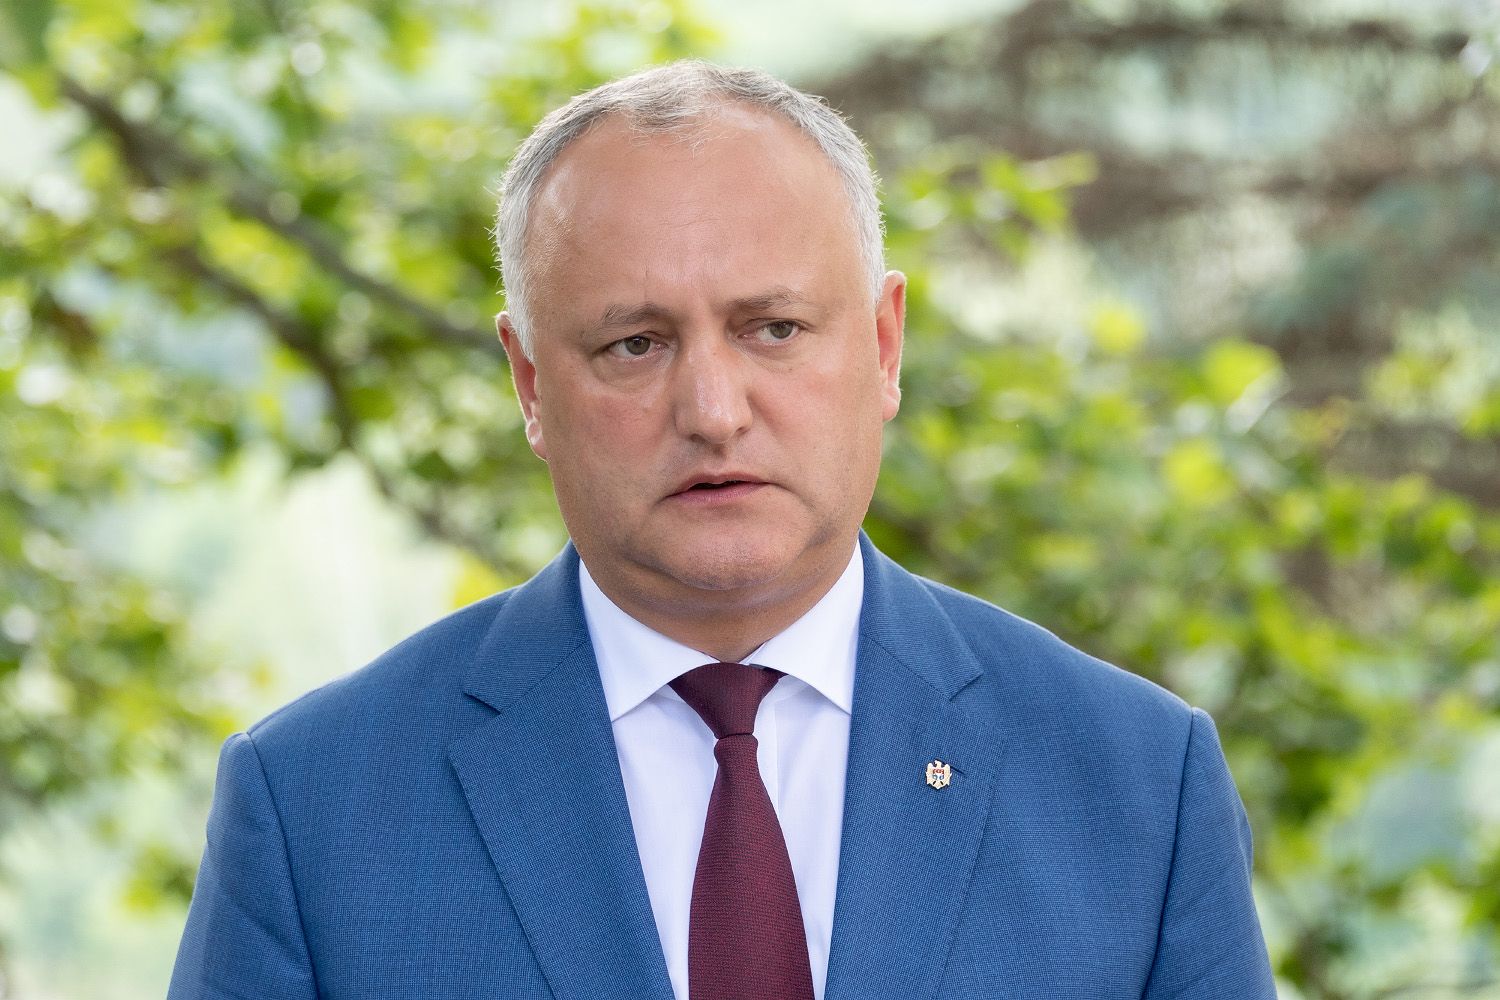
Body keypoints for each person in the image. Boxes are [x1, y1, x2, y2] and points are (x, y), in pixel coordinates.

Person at [169, 60, 1276, 1000]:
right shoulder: (314, 809)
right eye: (635, 345)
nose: (713, 410)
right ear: (531, 383)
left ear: (884, 345)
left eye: (774, 328)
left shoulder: (1136, 784)